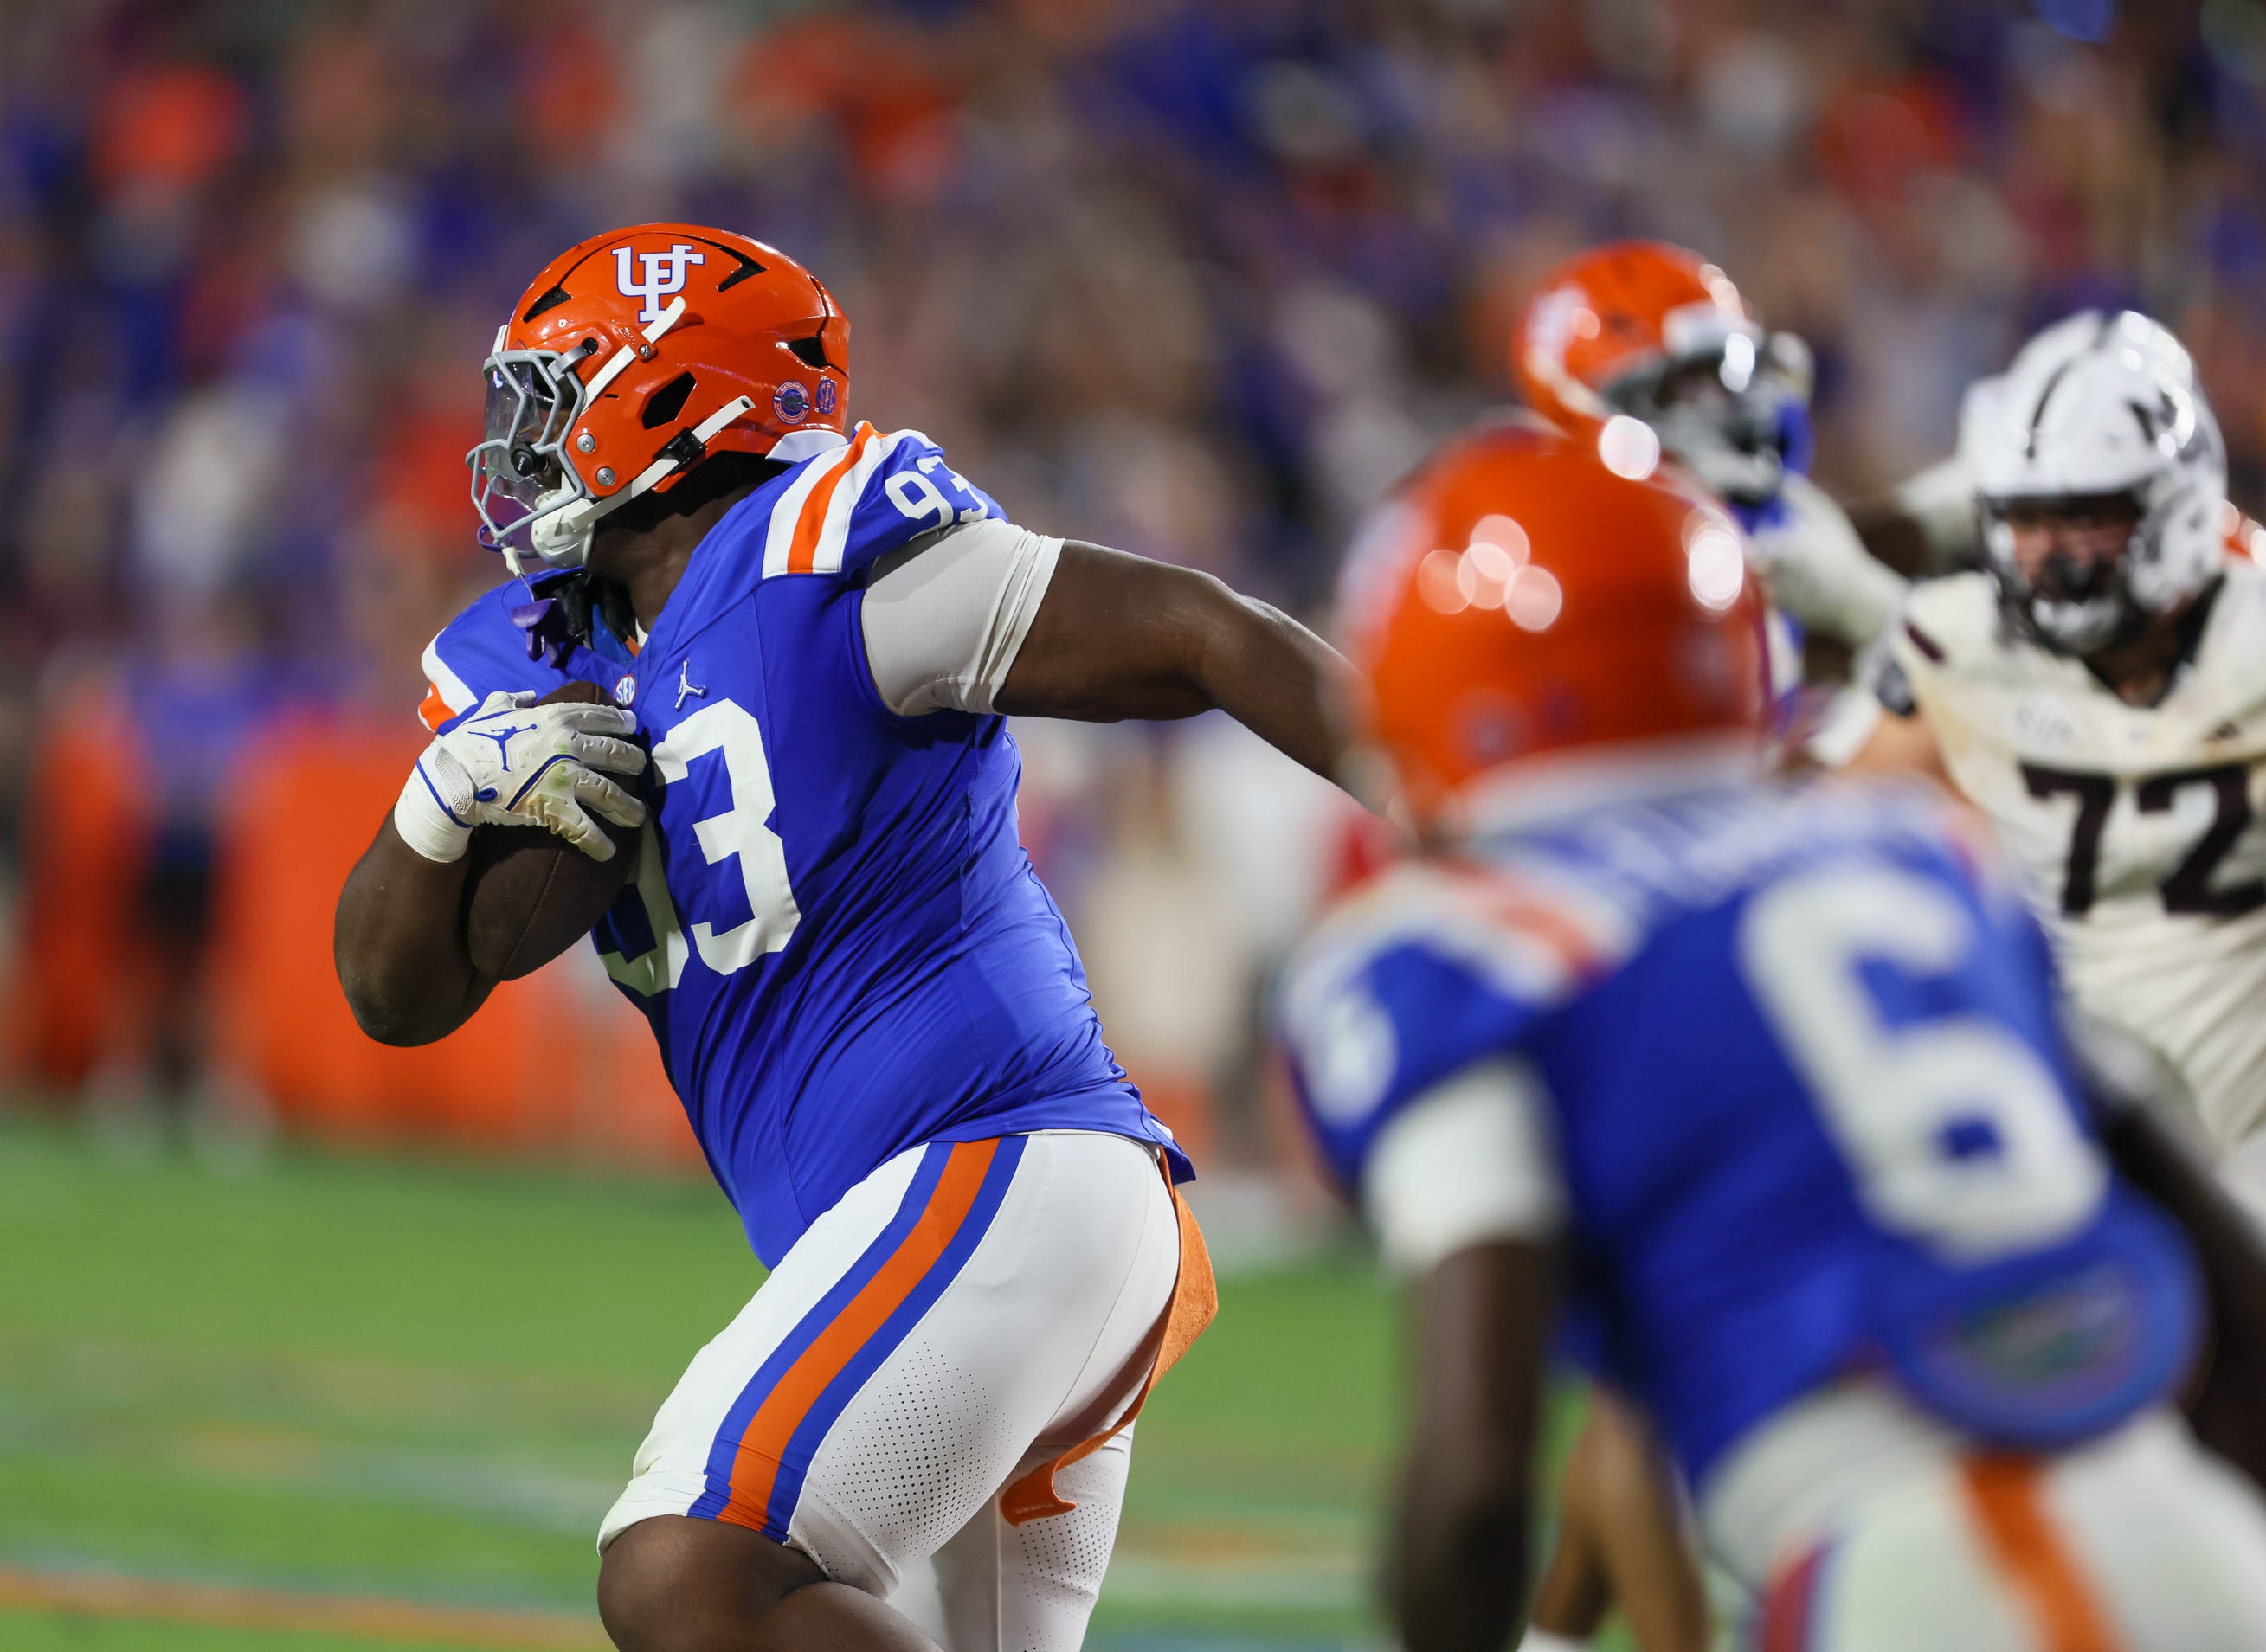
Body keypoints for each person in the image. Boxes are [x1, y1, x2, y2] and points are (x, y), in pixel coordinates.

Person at [332, 223, 1357, 1652]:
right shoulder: (537, 657)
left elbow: (1194, 629)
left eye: (553, 405)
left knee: (687, 1566)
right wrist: (435, 812)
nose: (518, 452)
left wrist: (1467, 802)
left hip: (1003, 1166)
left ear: (671, 399)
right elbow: (397, 988)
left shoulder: (826, 558)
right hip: (967, 1227)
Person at [1277, 420, 2266, 1651]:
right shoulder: (1915, 853)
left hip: (1918, 1580)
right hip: (2197, 1542)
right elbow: (2225, 1274)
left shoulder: (1469, 944)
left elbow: (1476, 1486)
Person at [1846, 310, 2266, 1225]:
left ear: (2177, 501)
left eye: (2082, 516)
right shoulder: (1959, 642)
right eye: (2021, 520)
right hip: (2062, 1114)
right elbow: (1828, 842)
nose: (2043, 554)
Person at [1512, 241, 1908, 695]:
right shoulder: (1563, 573)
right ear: (1588, 409)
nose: (1739, 407)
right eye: (1691, 385)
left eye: (1735, 372)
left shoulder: (1796, 518)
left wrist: (1871, 610)